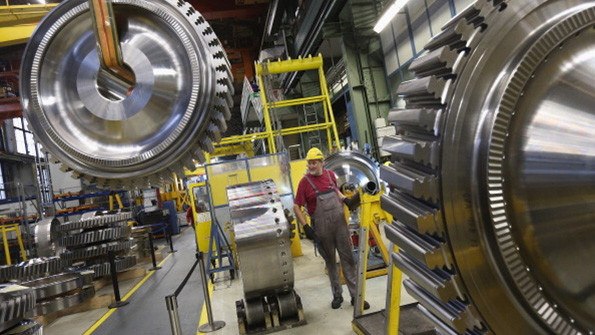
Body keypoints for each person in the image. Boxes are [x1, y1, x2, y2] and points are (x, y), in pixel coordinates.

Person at [293, 147, 369, 310]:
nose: (311, 166)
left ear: (322, 162)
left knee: (348, 259)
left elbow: (334, 190)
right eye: (309, 163)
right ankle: (337, 295)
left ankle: (356, 296)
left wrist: (345, 199)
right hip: (321, 228)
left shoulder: (330, 175)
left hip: (339, 224)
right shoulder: (304, 182)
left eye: (314, 163)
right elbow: (296, 206)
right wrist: (305, 226)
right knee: (331, 262)